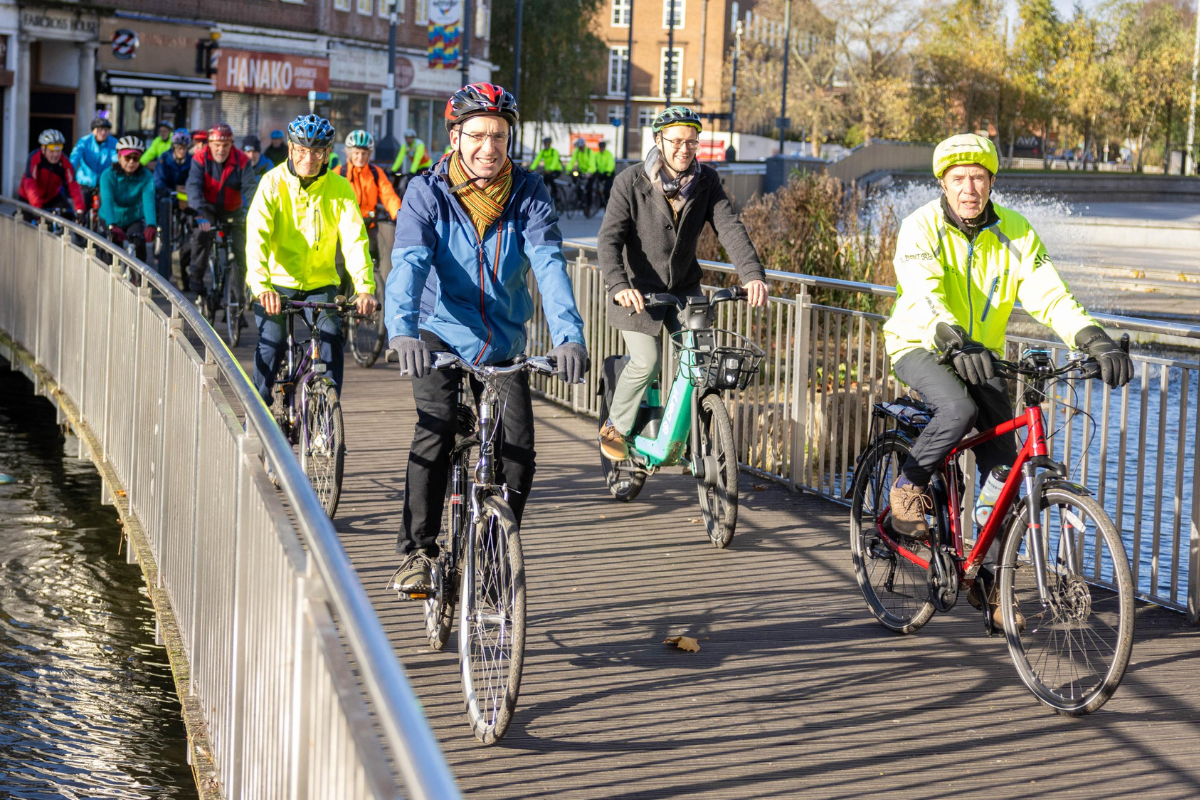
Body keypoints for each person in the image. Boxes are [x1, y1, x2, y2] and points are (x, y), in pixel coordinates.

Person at [882, 133, 1132, 623]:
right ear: (944, 184)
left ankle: (989, 581)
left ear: (992, 182)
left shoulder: (1015, 230)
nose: (968, 188)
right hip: (921, 342)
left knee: (1005, 468)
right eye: (958, 179)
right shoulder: (920, 228)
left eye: (977, 177)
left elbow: (1050, 294)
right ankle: (907, 486)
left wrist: (1092, 337)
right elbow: (922, 292)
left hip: (983, 355)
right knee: (958, 409)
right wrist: (951, 337)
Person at [385, 83, 589, 594]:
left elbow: (548, 264)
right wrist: (402, 330)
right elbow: (408, 263)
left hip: (501, 339)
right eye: (476, 134)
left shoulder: (528, 192)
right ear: (455, 136)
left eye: (498, 135)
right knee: (435, 430)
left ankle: (494, 547)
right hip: (437, 332)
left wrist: (569, 337)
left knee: (519, 451)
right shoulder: (426, 192)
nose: (488, 147)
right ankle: (420, 550)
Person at [597, 106, 768, 460]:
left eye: (692, 141)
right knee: (647, 361)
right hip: (637, 292)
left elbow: (730, 228)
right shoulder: (630, 181)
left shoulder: (706, 181)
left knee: (701, 365)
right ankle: (615, 423)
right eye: (676, 141)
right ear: (658, 141)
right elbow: (608, 240)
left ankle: (690, 437)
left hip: (685, 291)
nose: (684, 149)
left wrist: (752, 274)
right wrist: (618, 285)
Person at [244, 114, 378, 406]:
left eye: (317, 150)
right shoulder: (271, 183)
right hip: (275, 285)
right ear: (291, 149)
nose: (309, 157)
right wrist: (262, 286)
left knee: (331, 338)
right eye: (302, 150)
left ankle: (329, 414)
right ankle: (256, 414)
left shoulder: (339, 187)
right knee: (273, 343)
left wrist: (365, 287)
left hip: (320, 284)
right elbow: (257, 238)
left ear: (327, 153)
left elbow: (355, 240)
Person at [185, 123, 258, 298]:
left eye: (225, 145)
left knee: (243, 247)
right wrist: (200, 214)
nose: (221, 149)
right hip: (207, 207)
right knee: (202, 235)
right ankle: (196, 277)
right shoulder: (200, 158)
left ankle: (241, 294)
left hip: (233, 208)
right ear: (209, 143)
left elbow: (250, 188)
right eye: (217, 145)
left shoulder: (242, 160)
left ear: (232, 144)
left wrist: (253, 212)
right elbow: (193, 186)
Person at [333, 129, 402, 268]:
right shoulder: (340, 172)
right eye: (356, 153)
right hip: (343, 229)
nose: (360, 157)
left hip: (368, 226)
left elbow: (389, 196)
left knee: (372, 264)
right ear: (349, 154)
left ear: (369, 154)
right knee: (340, 274)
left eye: (364, 153)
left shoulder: (375, 173)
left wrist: (400, 216)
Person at [100, 135, 157, 263]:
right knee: (109, 250)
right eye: (127, 157)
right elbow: (107, 200)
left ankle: (139, 281)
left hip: (133, 217)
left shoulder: (146, 176)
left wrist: (151, 225)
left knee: (140, 245)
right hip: (110, 216)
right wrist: (111, 225)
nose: (131, 162)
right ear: (119, 157)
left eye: (135, 158)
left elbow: (148, 200)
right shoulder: (107, 175)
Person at [154, 129, 194, 284]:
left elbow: (195, 179)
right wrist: (169, 191)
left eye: (184, 148)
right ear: (173, 147)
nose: (181, 151)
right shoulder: (164, 159)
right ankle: (160, 251)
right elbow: (158, 181)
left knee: (190, 227)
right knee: (164, 227)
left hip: (185, 200)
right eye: (179, 148)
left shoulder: (192, 161)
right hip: (168, 198)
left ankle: (183, 262)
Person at [19, 129, 84, 219]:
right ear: (43, 149)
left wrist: (79, 209)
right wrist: (37, 208)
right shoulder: (35, 157)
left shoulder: (65, 162)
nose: (55, 155)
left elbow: (73, 185)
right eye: (52, 151)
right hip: (28, 197)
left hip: (51, 197)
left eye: (58, 151)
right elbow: (30, 184)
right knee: (27, 220)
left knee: (69, 215)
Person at [69, 116, 117, 219]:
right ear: (93, 131)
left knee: (106, 205)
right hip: (85, 181)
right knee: (81, 208)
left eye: (106, 130)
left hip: (103, 181)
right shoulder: (84, 141)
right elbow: (74, 157)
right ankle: (80, 225)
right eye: (99, 130)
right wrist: (70, 172)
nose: (103, 133)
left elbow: (116, 157)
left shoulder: (113, 142)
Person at [566, 137, 596, 202]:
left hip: (590, 172)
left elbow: (592, 164)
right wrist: (568, 169)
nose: (580, 148)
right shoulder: (577, 151)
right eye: (579, 147)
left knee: (589, 188)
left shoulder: (589, 152)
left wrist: (589, 172)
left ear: (584, 145)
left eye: (581, 147)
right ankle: (580, 198)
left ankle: (589, 205)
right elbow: (572, 161)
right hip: (582, 171)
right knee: (575, 180)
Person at [594, 139, 616, 205]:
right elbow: (594, 163)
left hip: (609, 174)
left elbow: (611, 164)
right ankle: (599, 199)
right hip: (601, 174)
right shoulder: (597, 154)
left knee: (607, 190)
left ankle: (608, 203)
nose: (601, 149)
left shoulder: (608, 154)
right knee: (594, 185)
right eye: (600, 147)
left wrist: (607, 171)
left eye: (602, 147)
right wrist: (595, 170)